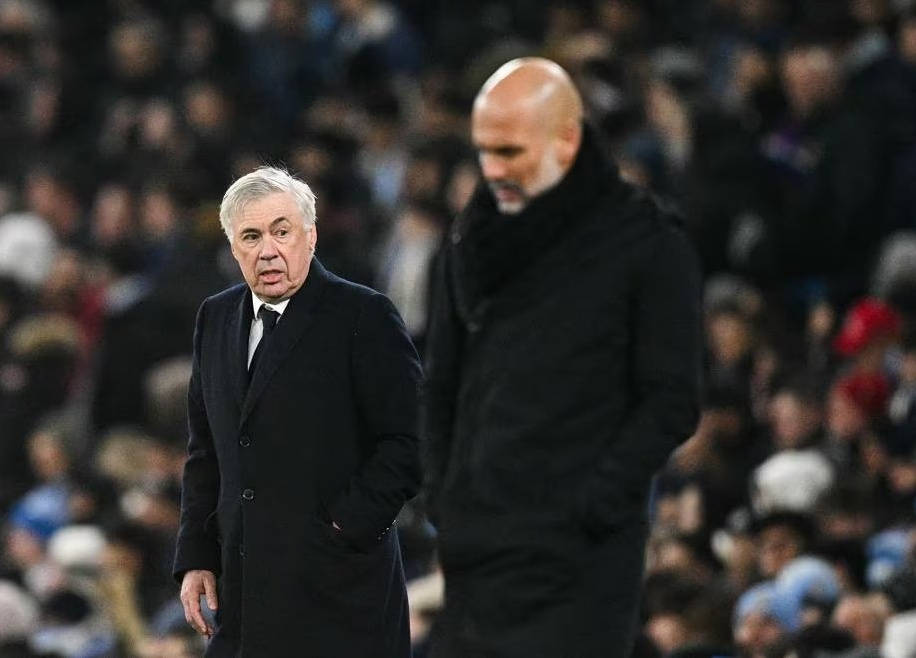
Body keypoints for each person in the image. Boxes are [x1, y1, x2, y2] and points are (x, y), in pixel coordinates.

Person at [423, 58, 703, 657]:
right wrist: (445, 499)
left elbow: (672, 399)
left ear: (567, 141)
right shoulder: (468, 241)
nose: (493, 170)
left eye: (510, 152)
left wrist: (590, 506)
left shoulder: (646, 242)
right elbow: (439, 382)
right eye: (484, 152)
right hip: (477, 550)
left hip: (578, 564)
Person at [172, 166, 423, 657]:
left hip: (341, 598)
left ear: (311, 236)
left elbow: (411, 439)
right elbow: (206, 451)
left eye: (281, 231)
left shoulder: (363, 315)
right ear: (233, 248)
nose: (268, 250)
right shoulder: (215, 317)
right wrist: (197, 555)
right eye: (251, 236)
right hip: (242, 598)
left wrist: (345, 525)